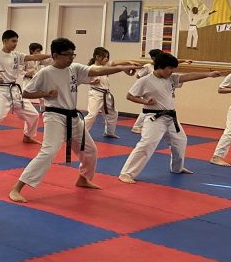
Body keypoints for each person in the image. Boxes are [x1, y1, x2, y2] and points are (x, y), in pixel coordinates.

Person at [8, 39, 138, 202]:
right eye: (67, 55)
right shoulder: (45, 73)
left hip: (73, 116)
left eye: (72, 54)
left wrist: (123, 68)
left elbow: (98, 70)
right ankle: (17, 188)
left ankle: (83, 178)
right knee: (48, 152)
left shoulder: (74, 68)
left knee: (90, 151)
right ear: (55, 55)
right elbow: (26, 93)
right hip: (54, 116)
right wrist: (46, 93)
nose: (71, 58)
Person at [119, 53, 221, 184]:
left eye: (174, 69)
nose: (172, 71)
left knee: (180, 141)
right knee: (147, 144)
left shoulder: (171, 78)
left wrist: (208, 75)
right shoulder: (145, 80)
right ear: (160, 66)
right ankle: (126, 173)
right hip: (154, 118)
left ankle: (177, 168)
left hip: (171, 117)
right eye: (170, 68)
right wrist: (144, 101)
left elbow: (188, 77)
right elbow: (130, 96)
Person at [83, 47, 127, 138]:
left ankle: (109, 132)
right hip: (96, 94)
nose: (106, 59)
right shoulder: (91, 68)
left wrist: (129, 62)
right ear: (97, 57)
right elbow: (82, 79)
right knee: (92, 114)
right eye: (104, 57)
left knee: (113, 113)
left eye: (107, 57)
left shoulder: (105, 66)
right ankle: (80, 134)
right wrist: (90, 82)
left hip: (106, 94)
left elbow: (116, 62)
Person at [130, 49, 162, 133]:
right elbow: (138, 76)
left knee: (153, 107)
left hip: (156, 89)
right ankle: (137, 126)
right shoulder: (148, 66)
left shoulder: (160, 66)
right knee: (148, 107)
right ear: (154, 58)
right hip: (148, 89)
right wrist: (147, 82)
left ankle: (147, 125)